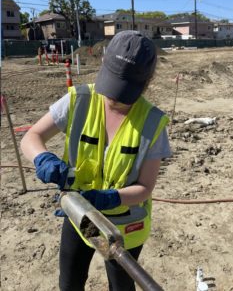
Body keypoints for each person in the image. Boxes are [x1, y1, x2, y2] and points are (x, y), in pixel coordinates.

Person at [21, 30, 171, 291]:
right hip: (82, 218)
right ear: (103, 64)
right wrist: (42, 158)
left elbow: (146, 187)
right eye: (113, 85)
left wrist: (110, 198)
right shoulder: (78, 101)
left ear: (147, 82)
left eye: (126, 91)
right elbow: (31, 136)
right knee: (70, 282)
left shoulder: (152, 123)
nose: (114, 98)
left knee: (121, 285)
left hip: (126, 227)